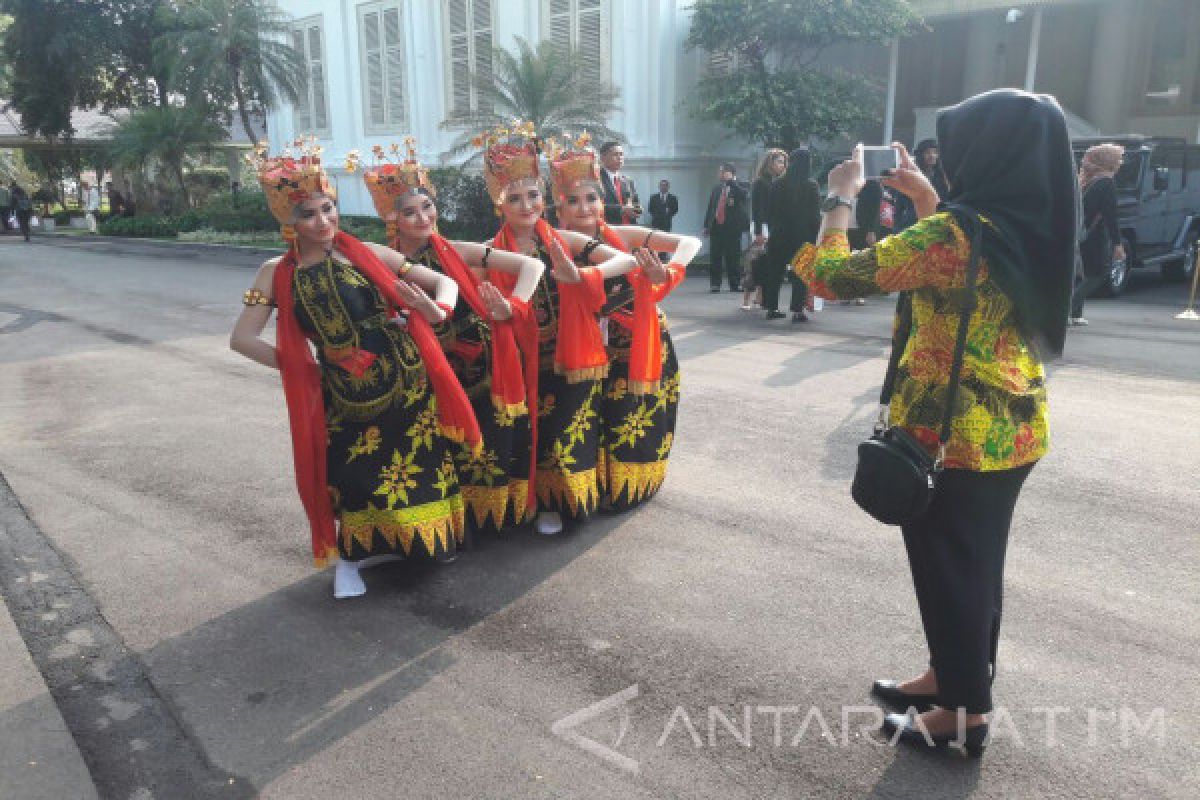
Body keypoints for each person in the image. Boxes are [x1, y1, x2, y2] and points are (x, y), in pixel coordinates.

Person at [793, 90, 1077, 755]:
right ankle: (952, 678)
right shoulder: (1025, 222)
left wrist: (840, 197)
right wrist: (925, 199)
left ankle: (962, 713)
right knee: (974, 565)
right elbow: (958, 264)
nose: (948, 162)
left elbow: (833, 277)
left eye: (956, 150)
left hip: (954, 437)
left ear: (988, 153)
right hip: (1013, 425)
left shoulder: (955, 233)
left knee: (950, 567)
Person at [229, 142, 483, 599]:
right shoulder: (275, 272)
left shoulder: (363, 252)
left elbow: (443, 283)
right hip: (341, 391)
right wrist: (303, 370)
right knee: (353, 475)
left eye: (329, 208)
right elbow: (242, 339)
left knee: (420, 464)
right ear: (289, 220)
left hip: (406, 380)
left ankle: (418, 540)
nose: (323, 221)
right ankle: (350, 560)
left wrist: (437, 309)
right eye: (309, 214)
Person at [354, 141, 545, 537]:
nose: (423, 217)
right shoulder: (384, 264)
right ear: (392, 217)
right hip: (427, 371)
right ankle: (450, 524)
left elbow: (531, 266)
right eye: (409, 211)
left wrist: (512, 307)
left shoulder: (455, 251)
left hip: (483, 368)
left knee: (489, 443)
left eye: (427, 207)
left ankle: (492, 520)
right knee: (441, 451)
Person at [482, 126, 638, 535]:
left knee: (571, 433)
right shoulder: (492, 251)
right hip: (526, 357)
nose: (526, 204)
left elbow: (625, 264)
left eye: (532, 195)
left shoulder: (563, 239)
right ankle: (543, 501)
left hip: (572, 353)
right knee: (538, 433)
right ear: (499, 204)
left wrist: (582, 275)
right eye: (514, 198)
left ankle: (569, 501)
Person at [549, 136, 701, 511]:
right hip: (587, 347)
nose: (585, 207)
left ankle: (631, 485)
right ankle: (594, 487)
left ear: (603, 201)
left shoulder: (624, 235)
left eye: (592, 198)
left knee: (633, 413)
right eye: (574, 200)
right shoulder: (554, 244)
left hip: (638, 338)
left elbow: (689, 242)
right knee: (595, 418)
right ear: (559, 207)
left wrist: (669, 271)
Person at [762, 148, 820, 321]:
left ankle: (771, 308)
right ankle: (797, 310)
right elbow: (815, 215)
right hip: (803, 235)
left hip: (779, 234)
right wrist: (816, 236)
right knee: (800, 273)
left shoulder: (778, 183)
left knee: (775, 272)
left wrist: (773, 228)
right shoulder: (811, 185)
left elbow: (769, 211)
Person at [1072, 143, 1125, 326]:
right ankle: (1068, 309)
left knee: (1080, 275)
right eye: (1117, 159)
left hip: (1079, 234)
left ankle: (1075, 314)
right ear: (1108, 162)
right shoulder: (1106, 183)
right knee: (1097, 274)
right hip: (1094, 236)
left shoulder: (1086, 181)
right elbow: (1110, 216)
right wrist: (1117, 244)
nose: (1120, 163)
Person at [748, 149, 787, 310]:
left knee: (767, 262)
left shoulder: (775, 181)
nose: (782, 166)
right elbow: (757, 208)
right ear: (770, 163)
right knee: (760, 262)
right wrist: (758, 231)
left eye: (784, 162)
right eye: (779, 162)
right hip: (761, 225)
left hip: (771, 225)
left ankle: (761, 297)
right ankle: (757, 296)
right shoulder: (761, 182)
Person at [703, 163, 749, 293]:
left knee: (733, 257)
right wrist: (706, 225)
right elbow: (711, 207)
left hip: (733, 229)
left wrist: (732, 182)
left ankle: (735, 284)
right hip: (716, 227)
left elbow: (744, 197)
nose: (719, 174)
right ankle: (715, 284)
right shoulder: (717, 188)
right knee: (715, 257)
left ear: (729, 173)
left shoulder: (741, 185)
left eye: (721, 172)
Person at [598, 141, 639, 225]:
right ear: (603, 158)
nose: (620, 157)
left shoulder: (627, 181)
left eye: (621, 154)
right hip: (607, 228)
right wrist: (621, 209)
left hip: (629, 229)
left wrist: (638, 209)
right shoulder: (596, 179)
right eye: (615, 154)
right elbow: (595, 207)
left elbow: (635, 203)